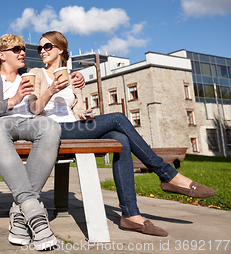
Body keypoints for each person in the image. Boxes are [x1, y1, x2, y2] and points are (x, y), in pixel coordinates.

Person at [30, 30, 217, 237]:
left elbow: (75, 110)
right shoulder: (36, 73)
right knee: (118, 117)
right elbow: (34, 110)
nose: (42, 51)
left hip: (75, 128)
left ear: (60, 49)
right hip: (53, 130)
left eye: (47, 46)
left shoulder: (74, 78)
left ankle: (130, 215)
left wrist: (82, 112)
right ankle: (168, 175)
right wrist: (51, 89)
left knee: (120, 139)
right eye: (40, 48)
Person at [0, 34, 85, 251]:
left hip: (30, 122)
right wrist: (13, 100)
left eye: (23, 48)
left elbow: (56, 73)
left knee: (51, 126)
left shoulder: (32, 74)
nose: (22, 52)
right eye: (16, 49)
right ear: (2, 55)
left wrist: (77, 76)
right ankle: (33, 211)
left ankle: (21, 210)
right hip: (1, 122)